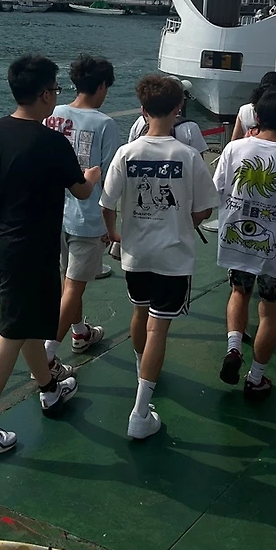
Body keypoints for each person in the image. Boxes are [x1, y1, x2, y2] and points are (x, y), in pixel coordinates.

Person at [0, 55, 98, 456]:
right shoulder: (52, 142)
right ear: (44, 94)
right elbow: (81, 191)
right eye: (55, 89)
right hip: (28, 252)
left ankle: (50, 389)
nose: (56, 95)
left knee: (26, 324)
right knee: (13, 332)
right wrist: (92, 176)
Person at [102, 75, 219, 440]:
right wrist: (183, 220)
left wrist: (115, 234)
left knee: (140, 314)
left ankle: (143, 368)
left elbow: (107, 203)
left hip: (135, 254)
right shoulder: (187, 156)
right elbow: (205, 209)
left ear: (143, 110)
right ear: (178, 108)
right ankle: (140, 412)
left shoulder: (127, 153)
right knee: (158, 327)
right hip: (173, 255)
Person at [213, 90, 276, 398]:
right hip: (274, 249)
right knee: (269, 312)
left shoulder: (234, 149)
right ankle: (256, 378)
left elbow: (217, 189)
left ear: (256, 118)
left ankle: (233, 348)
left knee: (239, 292)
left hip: (236, 239)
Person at [43, 54, 119, 370]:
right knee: (74, 288)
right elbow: (111, 178)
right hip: (87, 218)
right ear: (101, 86)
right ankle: (47, 355)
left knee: (67, 283)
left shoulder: (53, 114)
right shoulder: (104, 124)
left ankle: (80, 332)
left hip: (52, 214)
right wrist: (111, 224)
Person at [127, 81, 208, 154]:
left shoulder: (140, 122)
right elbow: (199, 158)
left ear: (144, 110)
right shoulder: (190, 127)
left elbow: (131, 147)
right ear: (179, 105)